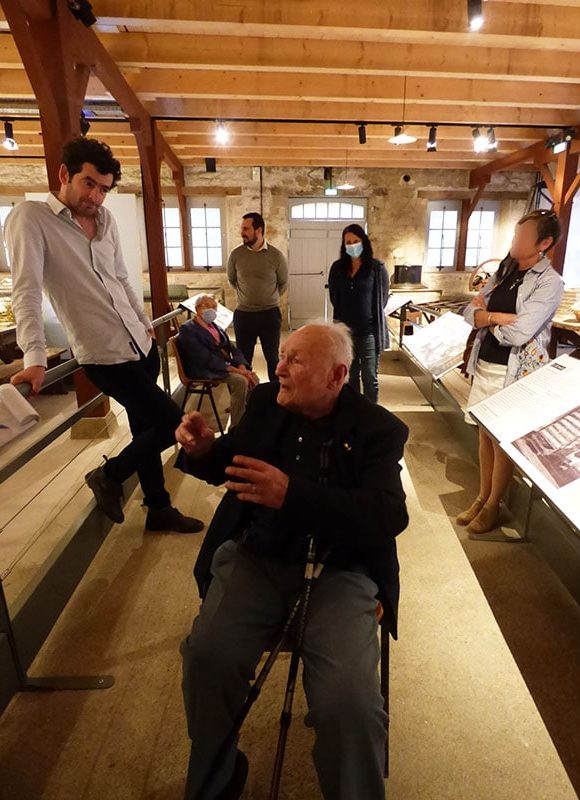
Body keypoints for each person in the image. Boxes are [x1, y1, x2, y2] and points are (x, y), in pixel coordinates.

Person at [174, 321, 409, 800]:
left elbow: (388, 514)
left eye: (295, 360)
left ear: (337, 375)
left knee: (350, 703)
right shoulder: (264, 404)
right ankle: (216, 778)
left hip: (341, 572)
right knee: (208, 658)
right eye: (281, 356)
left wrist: (293, 494)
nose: (277, 368)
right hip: (258, 555)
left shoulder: (378, 429)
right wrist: (202, 451)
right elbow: (232, 462)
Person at [5, 137, 203, 534]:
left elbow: (120, 277)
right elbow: (24, 290)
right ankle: (110, 475)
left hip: (140, 343)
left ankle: (158, 507)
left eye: (104, 189)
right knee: (173, 424)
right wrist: (34, 359)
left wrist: (142, 318)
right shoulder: (31, 218)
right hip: (103, 354)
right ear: (65, 174)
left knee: (146, 427)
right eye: (89, 184)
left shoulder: (106, 221)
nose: (96, 197)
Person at [460, 209, 564, 535]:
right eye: (515, 235)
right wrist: (496, 318)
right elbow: (469, 311)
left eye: (522, 236)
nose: (515, 241)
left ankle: (493, 505)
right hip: (487, 362)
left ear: (544, 243)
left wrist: (486, 317)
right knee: (484, 436)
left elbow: (520, 334)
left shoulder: (549, 282)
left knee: (501, 440)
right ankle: (481, 496)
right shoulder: (504, 271)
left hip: (516, 369)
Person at [327, 224, 390, 403]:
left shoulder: (376, 268)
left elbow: (382, 299)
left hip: (369, 331)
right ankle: (353, 412)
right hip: (345, 333)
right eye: (348, 242)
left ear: (363, 242)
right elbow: (334, 297)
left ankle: (371, 415)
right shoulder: (338, 268)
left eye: (356, 241)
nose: (352, 245)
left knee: (370, 377)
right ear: (343, 245)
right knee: (350, 375)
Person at [176, 294, 259, 427]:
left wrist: (242, 366)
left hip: (220, 365)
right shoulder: (188, 329)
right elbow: (204, 358)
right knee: (241, 381)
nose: (212, 310)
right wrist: (236, 370)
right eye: (208, 306)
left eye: (214, 307)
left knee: (253, 378)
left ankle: (244, 415)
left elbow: (231, 347)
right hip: (204, 368)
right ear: (197, 308)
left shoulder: (214, 325)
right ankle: (236, 428)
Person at [226, 212, 288, 381]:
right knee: (243, 359)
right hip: (244, 315)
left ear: (259, 230)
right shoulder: (236, 255)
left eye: (246, 228)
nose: (242, 232)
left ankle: (275, 398)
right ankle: (248, 398)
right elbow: (232, 280)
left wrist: (268, 298)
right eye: (242, 228)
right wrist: (247, 297)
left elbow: (283, 283)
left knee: (272, 359)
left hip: (270, 315)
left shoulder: (276, 256)